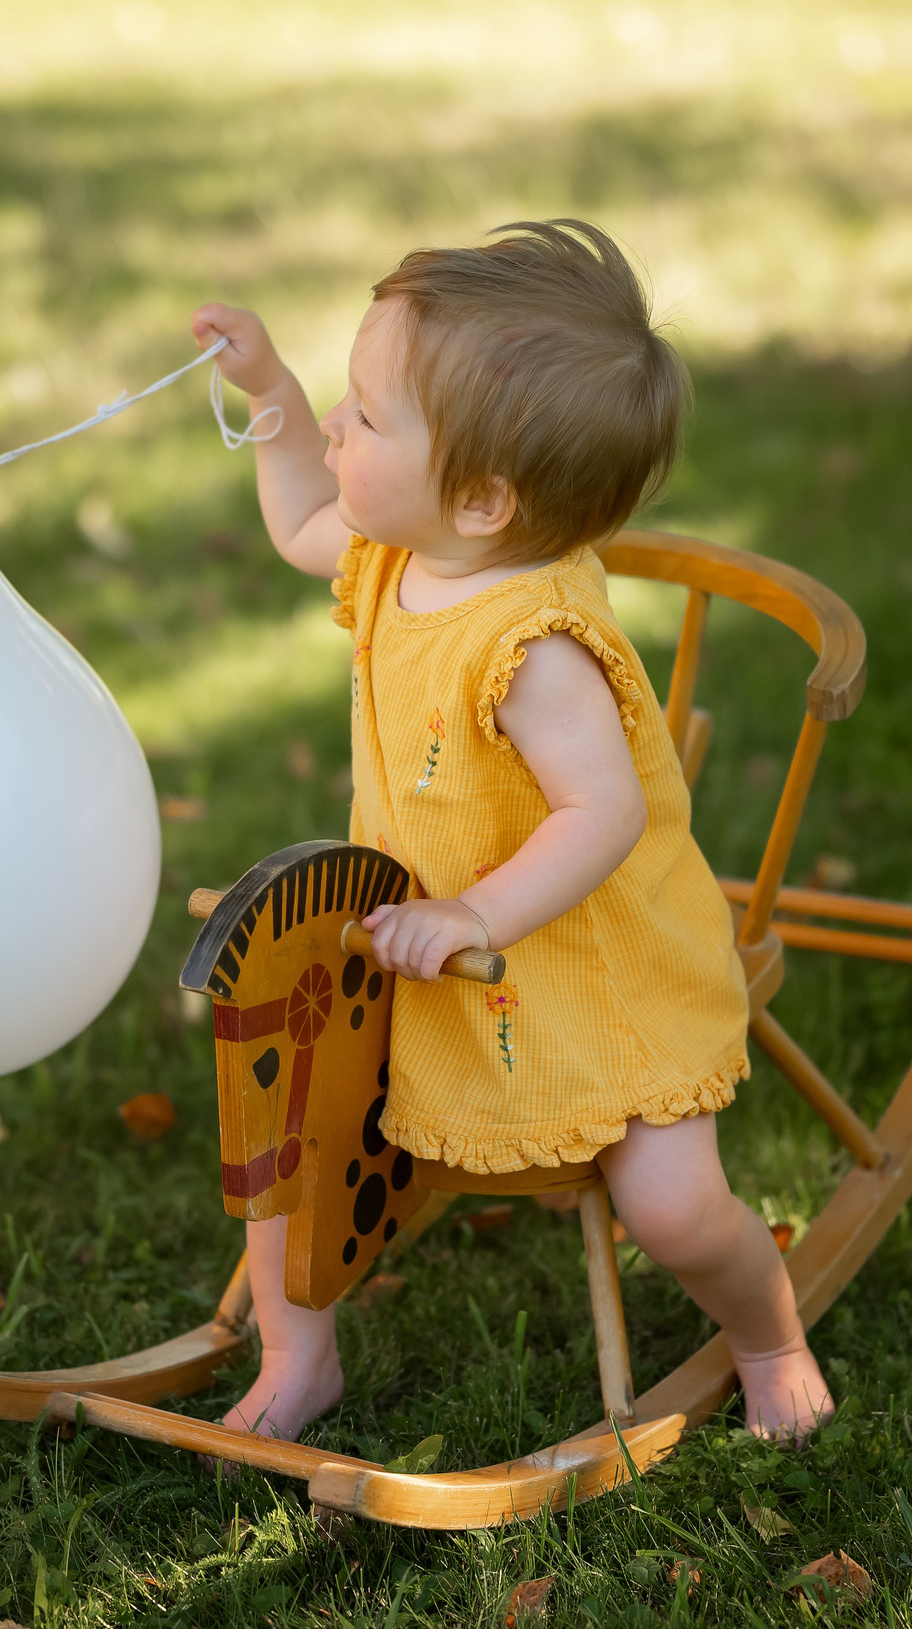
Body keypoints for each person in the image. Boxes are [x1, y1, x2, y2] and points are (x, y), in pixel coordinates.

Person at [189, 219, 833, 1450]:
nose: (337, 423)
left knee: (674, 1204)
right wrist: (266, 394)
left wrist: (475, 912)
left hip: (592, 967)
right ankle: (297, 1353)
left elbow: (606, 812)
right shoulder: (397, 552)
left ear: (484, 499)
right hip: (433, 960)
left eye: (366, 419)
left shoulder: (529, 643)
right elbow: (296, 524)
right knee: (293, 1137)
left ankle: (767, 1333)